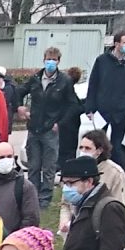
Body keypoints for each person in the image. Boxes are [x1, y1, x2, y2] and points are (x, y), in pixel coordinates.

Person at [20, 50, 80, 199]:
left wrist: (60, 123)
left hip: (51, 129)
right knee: (33, 166)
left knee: (49, 167)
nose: (51, 62)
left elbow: (73, 105)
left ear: (59, 61)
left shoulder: (64, 81)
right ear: (43, 60)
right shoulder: (35, 78)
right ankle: (32, 196)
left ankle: (45, 197)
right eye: (48, 59)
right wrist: (19, 107)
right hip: (34, 128)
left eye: (54, 59)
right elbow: (19, 91)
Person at [85, 32, 125, 153]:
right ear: (116, 44)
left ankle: (115, 170)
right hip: (102, 110)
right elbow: (93, 84)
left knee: (116, 147)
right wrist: (90, 108)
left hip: (121, 111)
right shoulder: (102, 60)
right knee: (99, 146)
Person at [0, 141, 41, 231]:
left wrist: (15, 241)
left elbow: (31, 219)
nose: (5, 160)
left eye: (9, 156)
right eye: (1, 157)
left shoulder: (25, 186)